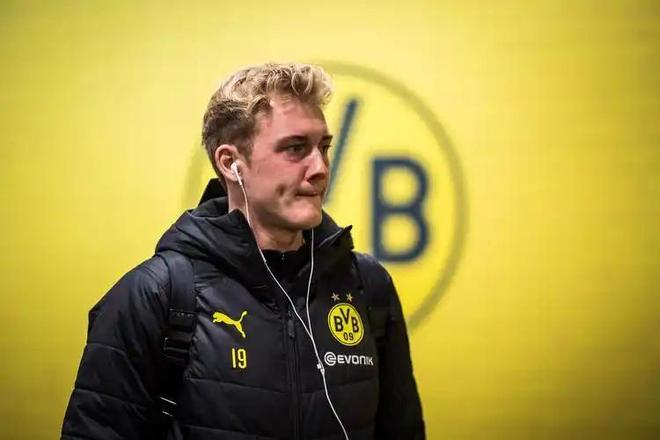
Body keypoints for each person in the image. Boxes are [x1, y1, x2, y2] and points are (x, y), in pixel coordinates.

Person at [61, 62, 425, 440]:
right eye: (295, 148)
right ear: (231, 163)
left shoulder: (367, 285)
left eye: (324, 147)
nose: (320, 168)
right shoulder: (156, 295)